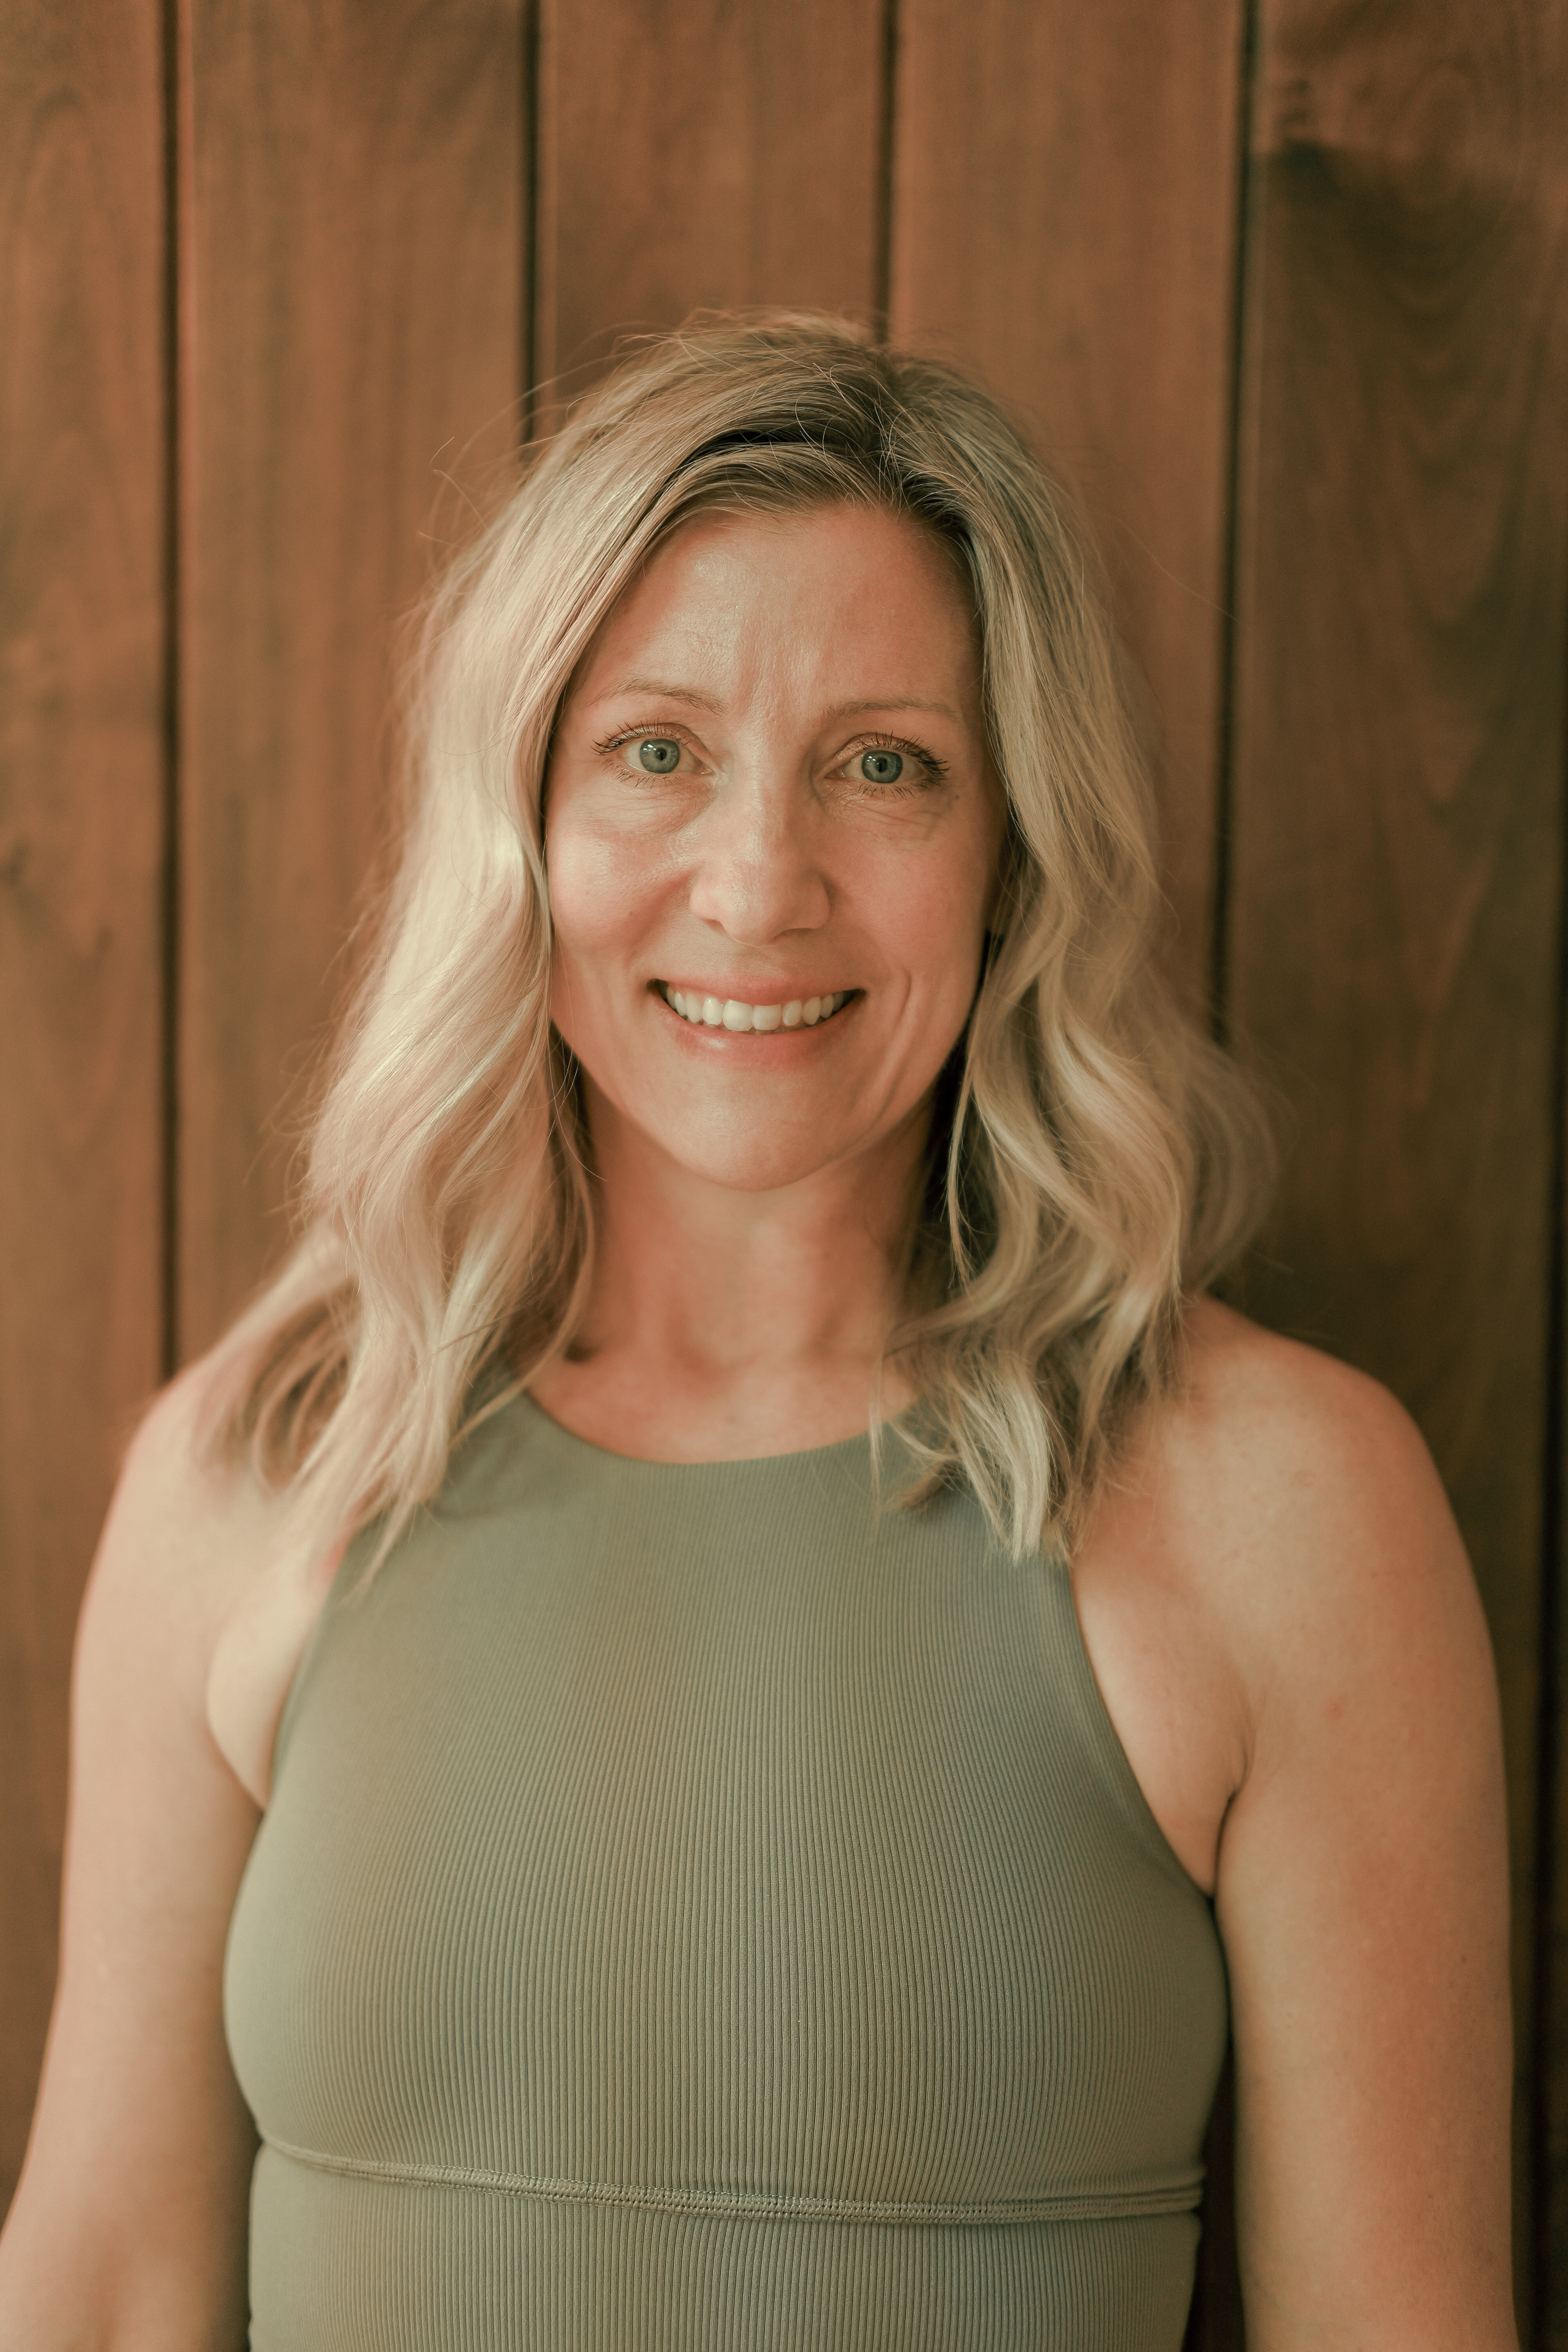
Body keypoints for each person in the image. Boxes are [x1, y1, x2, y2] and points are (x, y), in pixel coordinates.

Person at [0, 315, 1515, 2350]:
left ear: (1011, 861)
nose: (755, 883)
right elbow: (99, 2293)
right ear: (517, 822)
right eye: (656, 751)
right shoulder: (262, 1464)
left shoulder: (1285, 1503)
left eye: (885, 767)